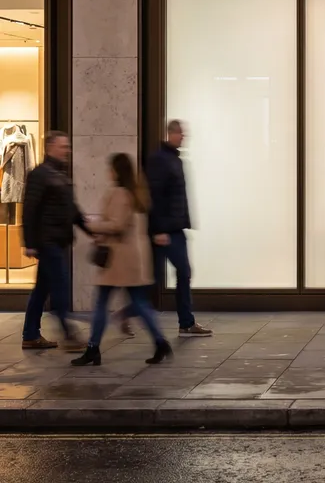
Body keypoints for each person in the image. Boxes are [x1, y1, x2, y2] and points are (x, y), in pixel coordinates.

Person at [70, 153, 173, 368]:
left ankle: (93, 348)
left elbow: (117, 224)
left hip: (118, 258)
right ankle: (160, 342)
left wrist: (92, 225)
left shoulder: (120, 193)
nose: (108, 172)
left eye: (110, 168)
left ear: (116, 171)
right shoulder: (136, 193)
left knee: (102, 302)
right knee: (139, 303)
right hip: (131, 257)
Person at [135, 120, 211, 338]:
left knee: (182, 272)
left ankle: (186, 323)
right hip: (164, 231)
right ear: (170, 134)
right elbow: (154, 196)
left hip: (175, 228)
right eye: (180, 134)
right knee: (155, 279)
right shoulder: (159, 160)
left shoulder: (175, 160)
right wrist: (158, 230)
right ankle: (129, 313)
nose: (183, 137)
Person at [21, 131, 91, 352]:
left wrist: (90, 230)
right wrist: (29, 242)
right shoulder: (39, 174)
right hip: (47, 241)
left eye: (67, 146)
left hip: (58, 240)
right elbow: (29, 210)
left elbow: (72, 209)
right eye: (63, 146)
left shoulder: (60, 174)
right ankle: (69, 336)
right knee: (60, 286)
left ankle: (30, 335)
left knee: (42, 289)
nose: (67, 150)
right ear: (50, 147)